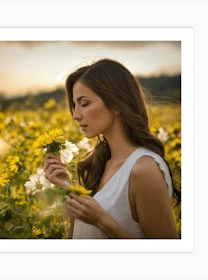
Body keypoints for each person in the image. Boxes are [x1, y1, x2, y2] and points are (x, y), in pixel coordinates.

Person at [44, 58, 180, 239]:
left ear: (116, 103)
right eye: (75, 105)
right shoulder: (98, 163)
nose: (76, 115)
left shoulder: (143, 169)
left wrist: (101, 220)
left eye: (84, 103)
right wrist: (68, 188)